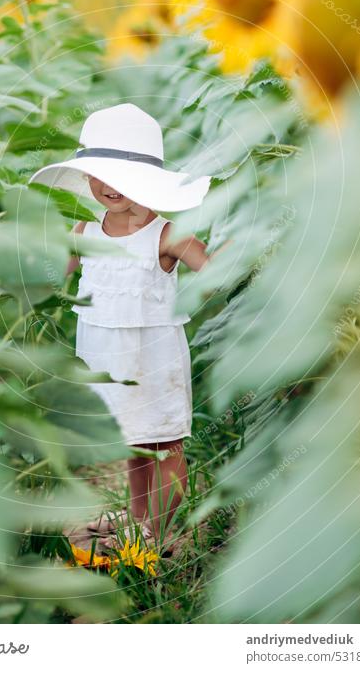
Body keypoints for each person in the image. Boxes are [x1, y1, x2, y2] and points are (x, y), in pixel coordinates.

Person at [30, 103, 223, 550]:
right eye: (101, 175)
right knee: (133, 441)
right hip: (105, 356)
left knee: (165, 443)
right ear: (86, 178)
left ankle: (154, 534)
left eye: (124, 177)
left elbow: (211, 275)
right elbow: (53, 273)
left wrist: (225, 260)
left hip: (153, 357)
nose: (111, 186)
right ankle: (138, 519)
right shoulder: (87, 226)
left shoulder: (168, 235)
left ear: (148, 183)